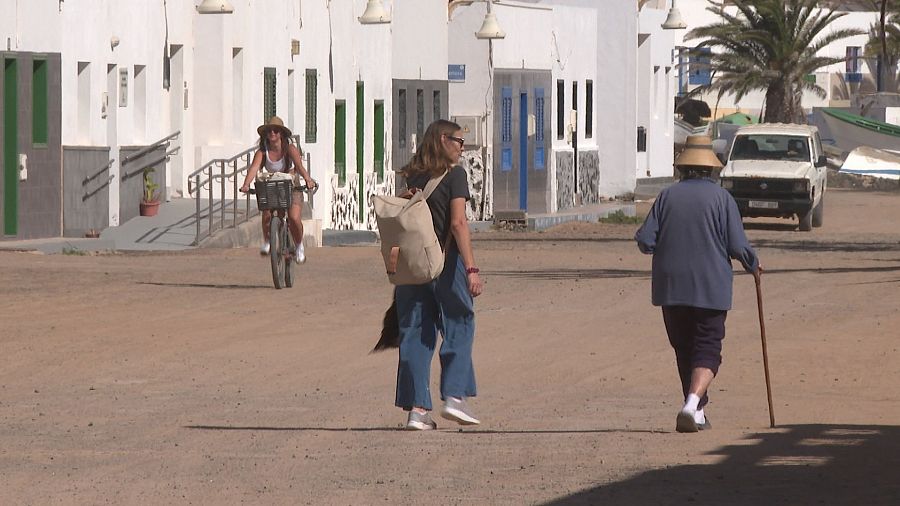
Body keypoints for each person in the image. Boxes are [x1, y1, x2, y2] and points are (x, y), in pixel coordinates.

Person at [634, 135, 761, 433]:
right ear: (711, 169)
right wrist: (753, 265)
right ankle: (692, 404)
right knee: (707, 347)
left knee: (684, 347)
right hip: (710, 287)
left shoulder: (666, 196)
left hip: (671, 287)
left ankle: (697, 411)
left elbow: (645, 240)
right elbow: (737, 245)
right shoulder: (722, 199)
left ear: (683, 167)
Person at [394, 119, 484, 430]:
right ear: (443, 140)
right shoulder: (455, 174)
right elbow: (458, 224)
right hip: (446, 264)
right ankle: (455, 397)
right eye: (459, 141)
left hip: (412, 266)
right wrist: (471, 268)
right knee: (459, 323)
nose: (463, 147)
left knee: (416, 334)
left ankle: (417, 411)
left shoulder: (411, 174)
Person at [239, 116, 316, 263]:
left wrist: (307, 179)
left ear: (281, 134)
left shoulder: (290, 149)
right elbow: (254, 168)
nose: (272, 133)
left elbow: (299, 166)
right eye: (269, 131)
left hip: (291, 187)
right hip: (272, 186)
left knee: (293, 218)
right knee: (267, 214)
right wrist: (246, 184)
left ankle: (299, 246)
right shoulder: (262, 152)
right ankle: (268, 241)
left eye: (275, 131)